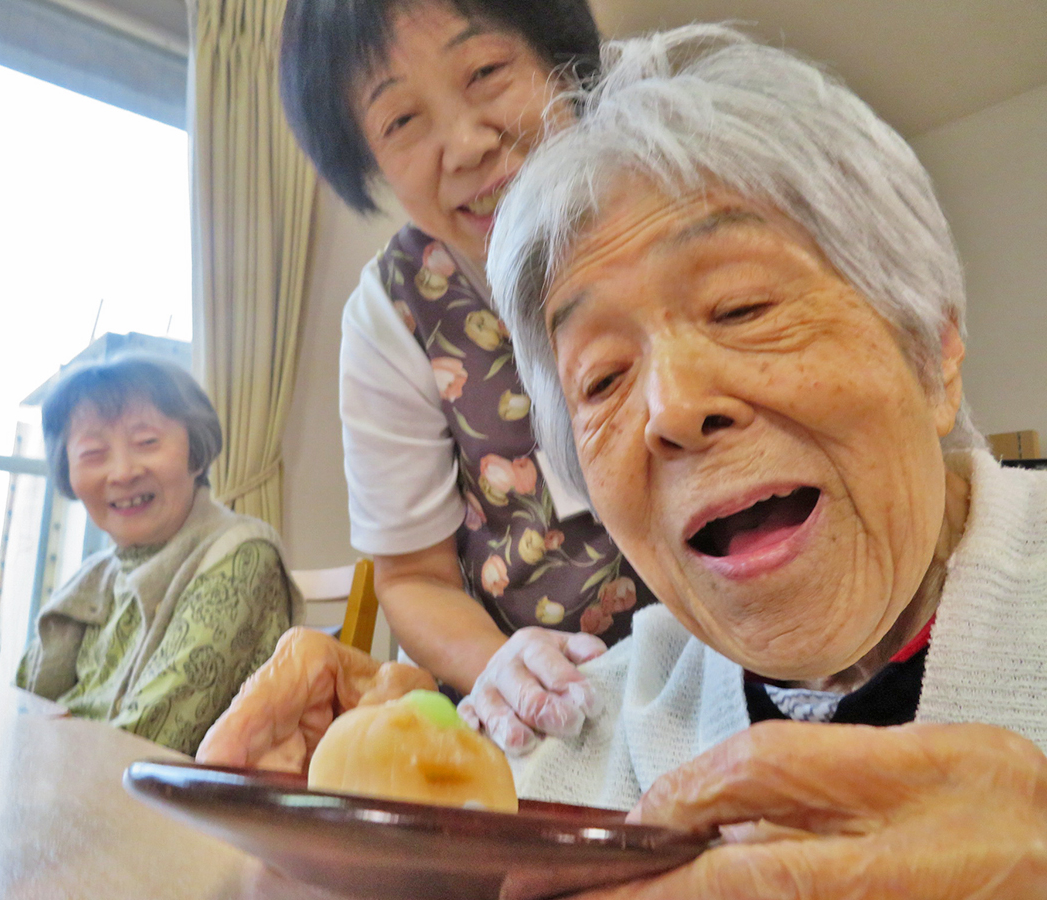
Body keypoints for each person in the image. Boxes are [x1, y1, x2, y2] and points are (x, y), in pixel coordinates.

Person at [200, 24, 1047, 898]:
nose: (670, 408)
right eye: (602, 379)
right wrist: (380, 808)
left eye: (742, 307)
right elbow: (415, 588)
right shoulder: (595, 738)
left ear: (935, 345)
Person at [279, 0, 654, 753]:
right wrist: (507, 671)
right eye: (400, 122)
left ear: (559, 60)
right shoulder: (396, 314)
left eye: (485, 71)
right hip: (544, 734)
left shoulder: (668, 175)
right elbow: (414, 577)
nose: (467, 144)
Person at [17, 355, 301, 755]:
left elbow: (144, 746)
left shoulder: (242, 559)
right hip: (73, 784)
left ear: (195, 450)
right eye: (94, 453)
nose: (122, 472)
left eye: (147, 443)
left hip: (172, 808)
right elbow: (20, 704)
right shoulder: (97, 574)